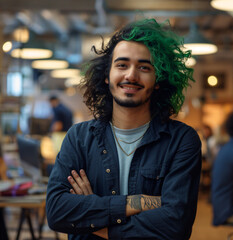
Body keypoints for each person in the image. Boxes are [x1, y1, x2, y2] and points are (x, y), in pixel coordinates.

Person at [46, 18, 201, 240]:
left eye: (144, 67)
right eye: (122, 65)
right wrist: (136, 203)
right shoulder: (78, 138)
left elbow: (176, 226)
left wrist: (91, 214)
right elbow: (57, 212)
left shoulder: (181, 140)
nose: (131, 75)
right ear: (107, 75)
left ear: (158, 79)